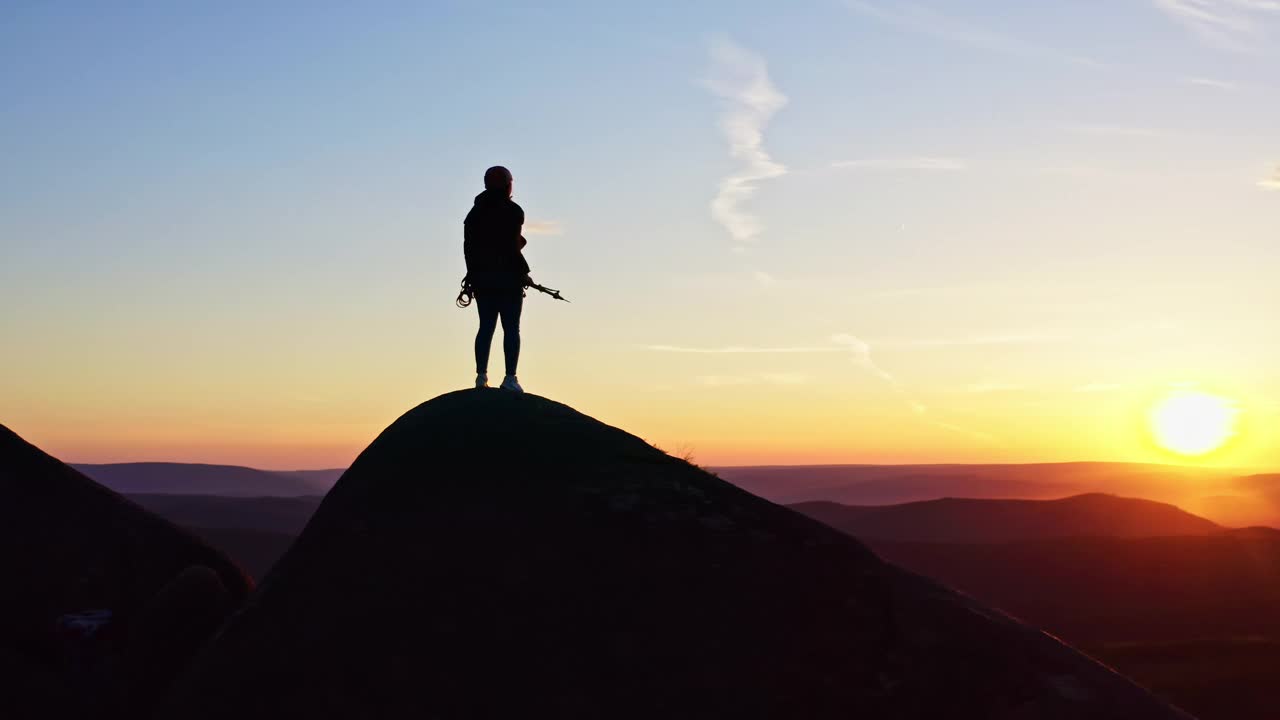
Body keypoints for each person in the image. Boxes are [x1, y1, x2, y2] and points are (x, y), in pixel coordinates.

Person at [463, 165, 531, 392]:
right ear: (507, 184)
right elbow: (512, 247)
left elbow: (469, 249)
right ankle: (510, 378)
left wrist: (472, 276)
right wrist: (524, 273)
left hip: (483, 280)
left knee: (486, 326)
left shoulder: (474, 214)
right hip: (508, 279)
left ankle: (481, 377)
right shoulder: (513, 211)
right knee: (511, 328)